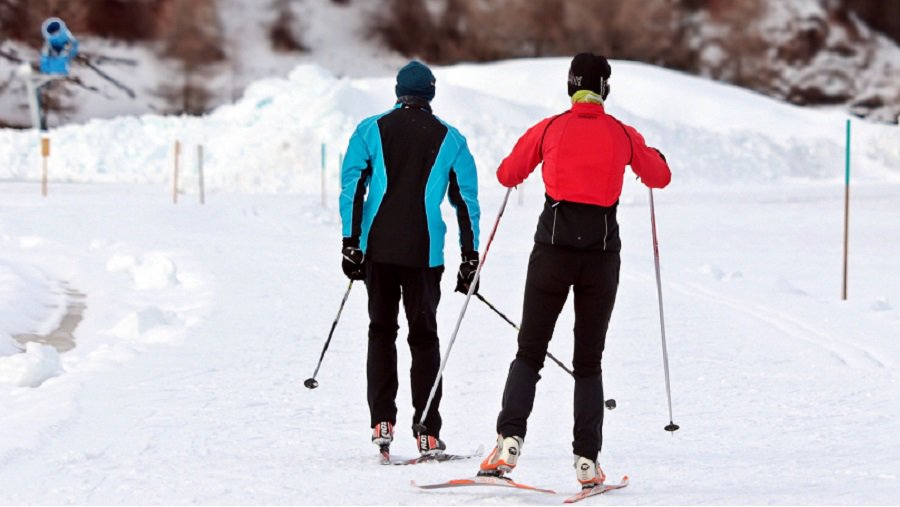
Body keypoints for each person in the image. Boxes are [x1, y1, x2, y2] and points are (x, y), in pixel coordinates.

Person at [479, 53, 671, 487]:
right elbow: (659, 177)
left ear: (571, 86)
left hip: (551, 253)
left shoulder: (550, 128)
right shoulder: (622, 134)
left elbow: (507, 174)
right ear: (605, 89)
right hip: (601, 258)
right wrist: (652, 155)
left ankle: (508, 442)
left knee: (530, 349)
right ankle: (587, 461)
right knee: (588, 362)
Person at [339, 61, 481, 457]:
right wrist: (470, 258)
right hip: (424, 253)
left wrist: (350, 242)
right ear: (430, 93)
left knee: (381, 331)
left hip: (378, 250)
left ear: (398, 91)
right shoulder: (451, 139)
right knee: (424, 338)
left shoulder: (369, 129)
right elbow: (465, 203)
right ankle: (427, 431)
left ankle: (381, 422)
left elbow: (353, 187)